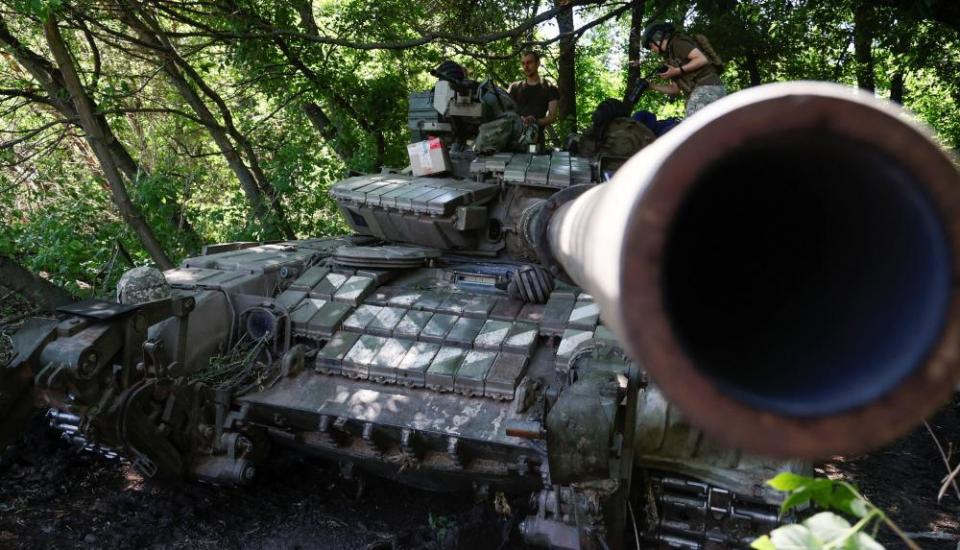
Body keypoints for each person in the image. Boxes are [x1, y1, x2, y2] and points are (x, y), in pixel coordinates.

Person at [639, 23, 726, 118]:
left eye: (651, 46)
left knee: (692, 128)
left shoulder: (677, 43)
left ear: (658, 38)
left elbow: (701, 59)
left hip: (708, 87)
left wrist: (677, 71)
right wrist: (651, 86)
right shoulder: (670, 56)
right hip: (701, 92)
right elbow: (675, 89)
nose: (652, 50)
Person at [507, 51, 560, 138]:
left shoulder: (550, 88)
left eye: (529, 62)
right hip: (513, 139)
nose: (526, 66)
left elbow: (552, 117)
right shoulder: (514, 87)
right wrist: (519, 120)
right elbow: (505, 111)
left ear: (538, 63)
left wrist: (534, 121)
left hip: (536, 141)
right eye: (523, 63)